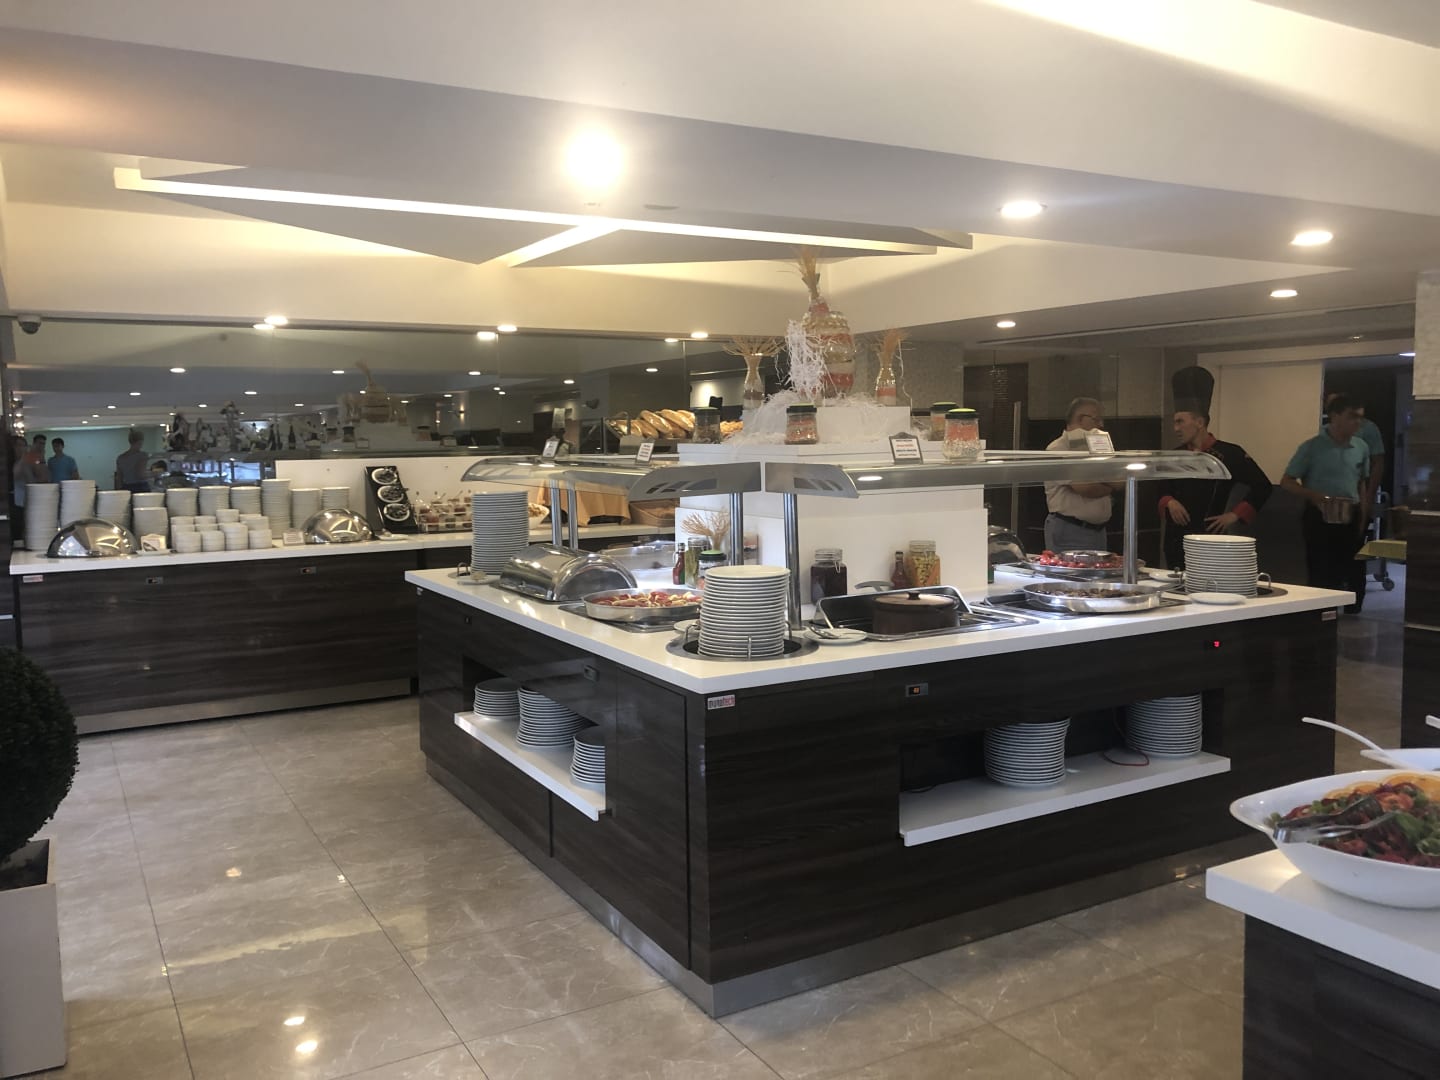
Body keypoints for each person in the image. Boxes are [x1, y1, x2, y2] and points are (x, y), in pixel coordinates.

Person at [1282, 394, 1370, 610]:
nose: (1357, 422)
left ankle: (1353, 609)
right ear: (1335, 416)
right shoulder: (1312, 447)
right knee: (1321, 566)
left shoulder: (1361, 447)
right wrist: (1314, 495)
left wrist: (1364, 513)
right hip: (1319, 514)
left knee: (1354, 565)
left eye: (1360, 417)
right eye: (1352, 416)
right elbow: (1287, 482)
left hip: (1351, 513)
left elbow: (1362, 483)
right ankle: (1321, 611)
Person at [1156, 409, 1272, 571]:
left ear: (1200, 423)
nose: (1176, 429)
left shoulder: (1230, 453)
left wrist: (1235, 514)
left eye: (1180, 421)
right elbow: (1161, 487)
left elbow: (1262, 486)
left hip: (1210, 533)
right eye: (1174, 423)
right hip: (1176, 537)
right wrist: (1169, 501)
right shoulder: (1176, 455)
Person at [1043, 397, 1120, 552]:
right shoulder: (1058, 449)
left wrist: (1102, 481)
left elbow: (1121, 482)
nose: (1101, 425)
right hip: (1070, 530)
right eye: (1096, 419)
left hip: (1099, 531)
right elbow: (1086, 488)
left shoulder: (1099, 446)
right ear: (1080, 418)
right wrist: (1108, 483)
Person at [114, 429, 150, 494]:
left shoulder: (121, 458)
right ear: (141, 441)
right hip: (141, 487)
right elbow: (141, 474)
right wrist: (155, 474)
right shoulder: (142, 455)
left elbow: (119, 478)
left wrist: (119, 492)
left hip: (127, 487)